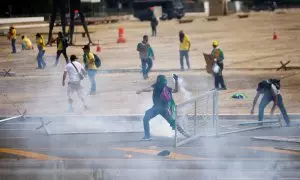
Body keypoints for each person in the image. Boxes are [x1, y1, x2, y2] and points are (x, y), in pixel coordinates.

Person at [136, 74, 190, 141]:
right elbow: (176, 90)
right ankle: (186, 134)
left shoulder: (157, 85)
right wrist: (176, 80)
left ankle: (147, 136)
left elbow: (149, 89)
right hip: (165, 109)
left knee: (146, 119)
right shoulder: (166, 88)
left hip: (157, 108)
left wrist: (141, 90)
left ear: (158, 80)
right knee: (173, 122)